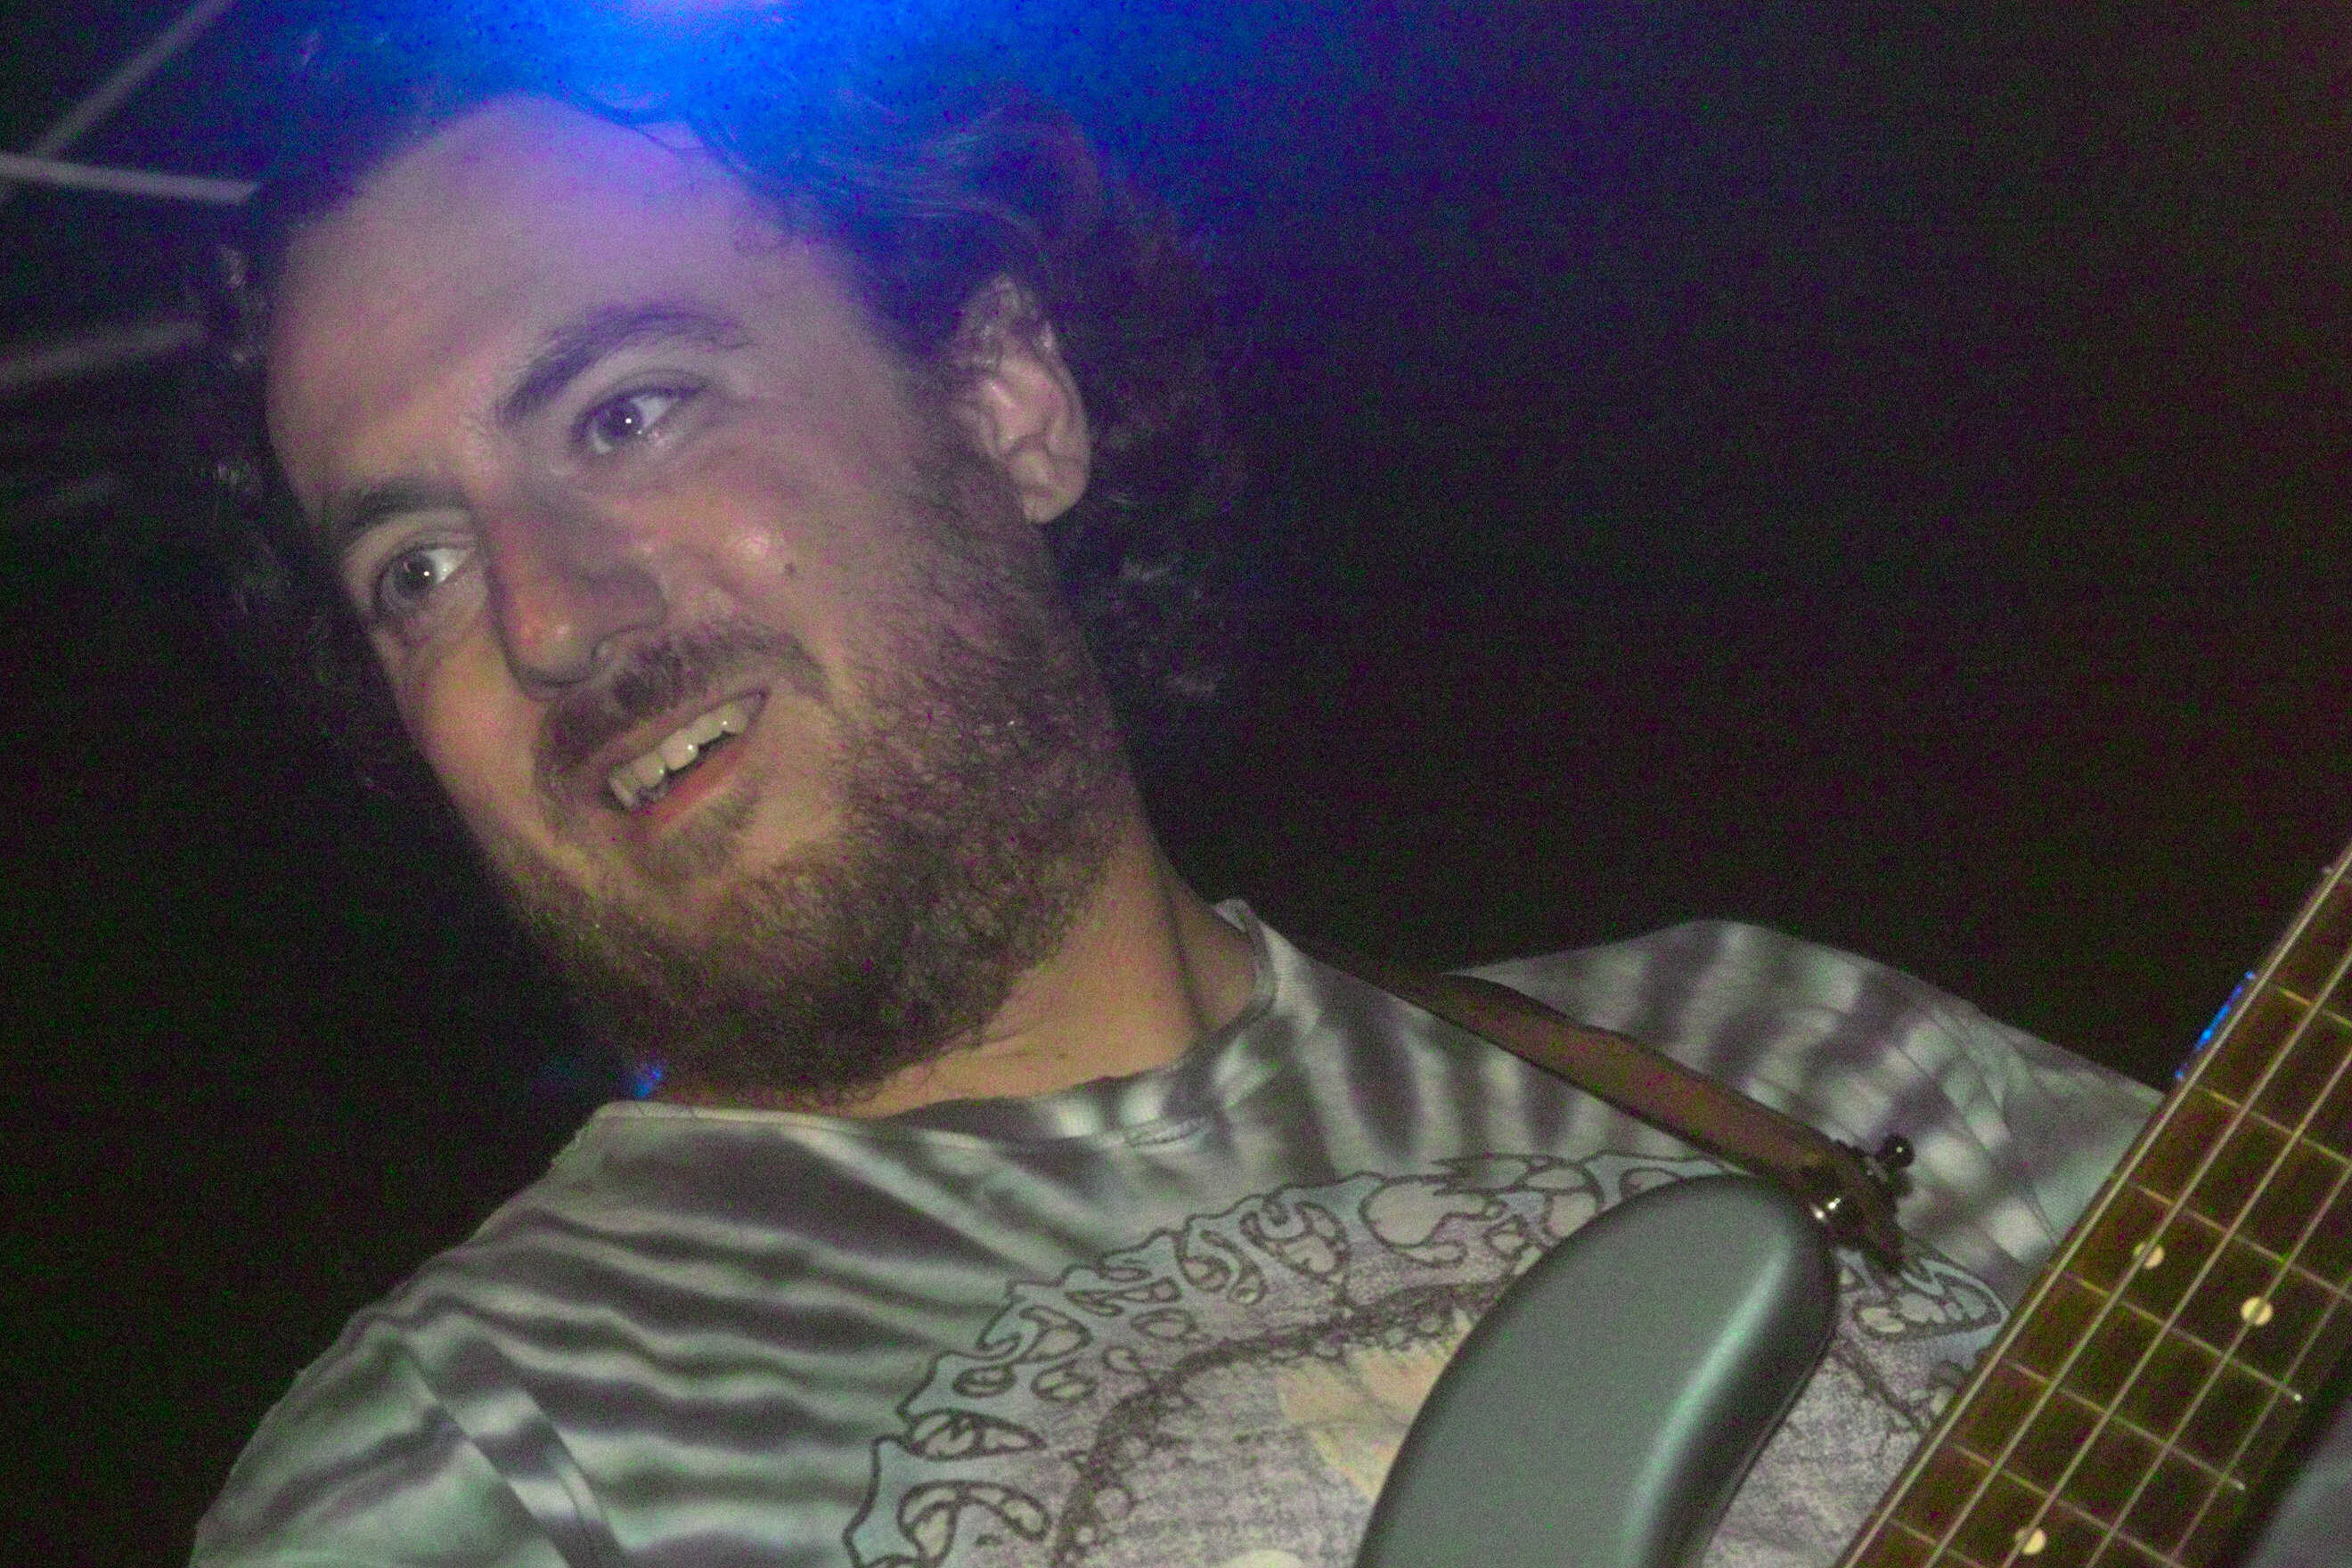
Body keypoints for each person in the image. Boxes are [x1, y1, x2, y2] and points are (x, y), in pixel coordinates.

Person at [189, 7, 2342, 1566]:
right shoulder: (465, 1465)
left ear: (1007, 405)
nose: (544, 618)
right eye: (413, 569)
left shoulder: (1792, 1049)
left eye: (629, 414)